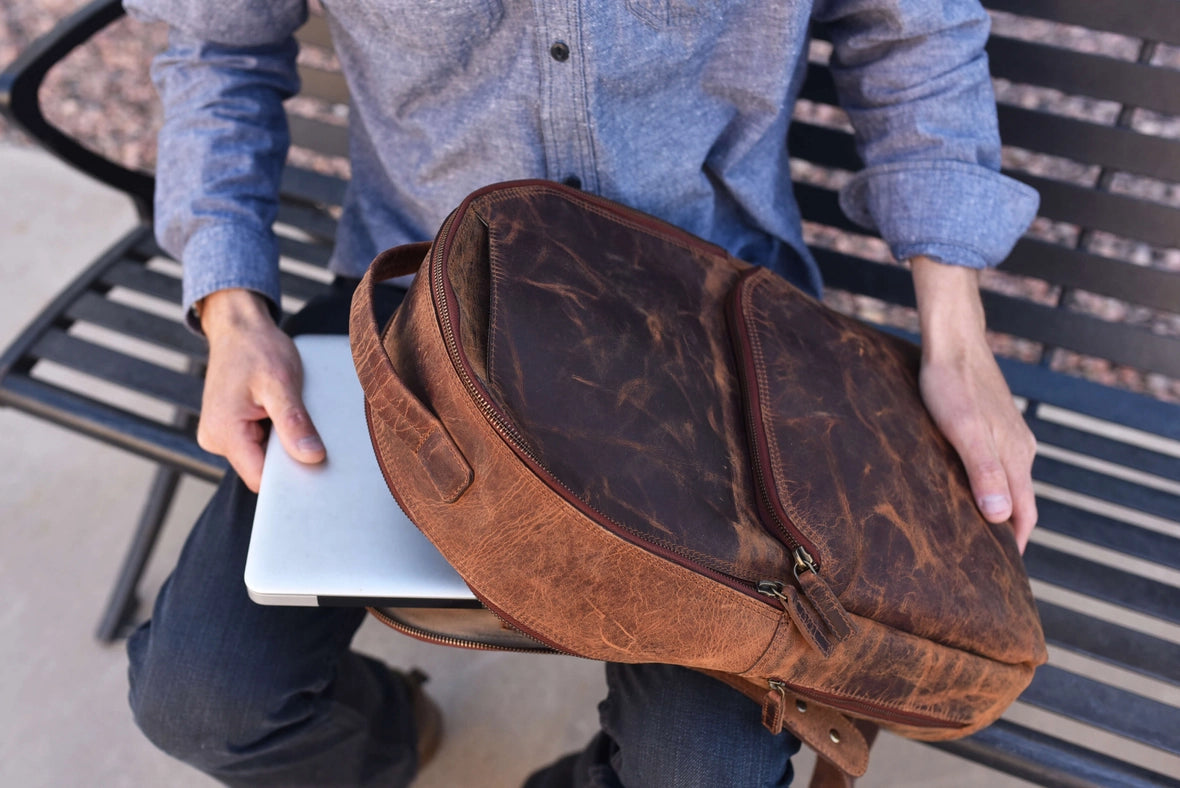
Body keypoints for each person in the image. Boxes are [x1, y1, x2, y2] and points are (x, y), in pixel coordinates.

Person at [122, 0, 1040, 785]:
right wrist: (232, 311)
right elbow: (217, 44)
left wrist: (958, 344)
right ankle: (392, 733)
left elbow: (912, 32)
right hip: (424, 297)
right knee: (205, 701)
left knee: (700, 775)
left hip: (706, 333)